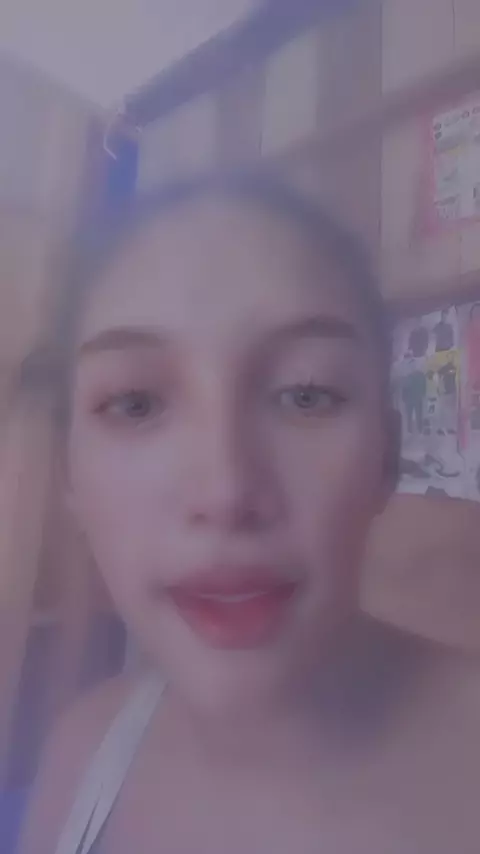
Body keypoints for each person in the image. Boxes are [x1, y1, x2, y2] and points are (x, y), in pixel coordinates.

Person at [19, 170, 480, 854]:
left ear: (387, 454)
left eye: (305, 394)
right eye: (136, 404)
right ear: (70, 477)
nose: (226, 491)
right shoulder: (79, 754)